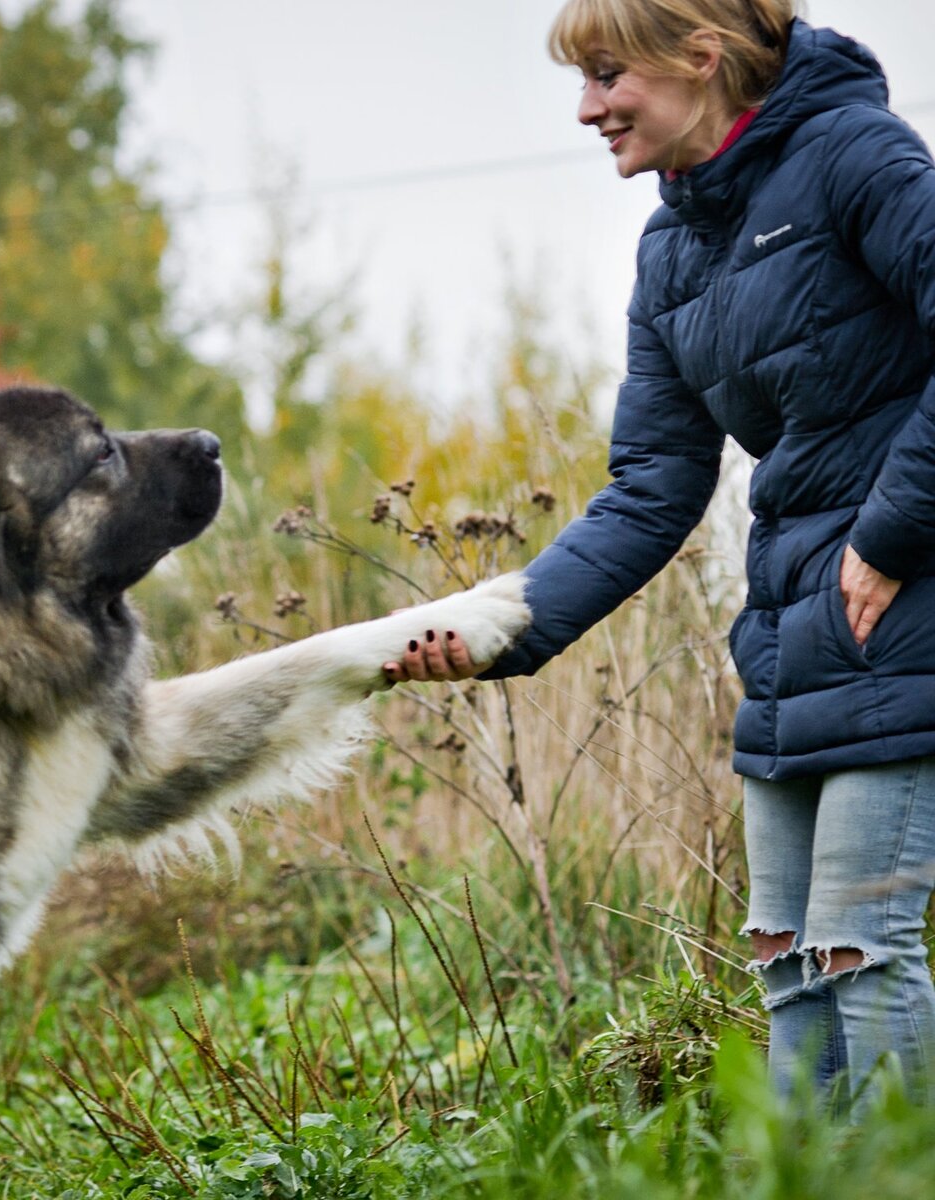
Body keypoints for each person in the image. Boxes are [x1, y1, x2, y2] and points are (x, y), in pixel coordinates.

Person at [384, 0, 935, 1115]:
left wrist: (891, 534)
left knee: (861, 951)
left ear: (702, 56)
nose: (586, 109)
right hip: (789, 630)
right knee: (789, 962)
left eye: (605, 75)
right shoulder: (675, 247)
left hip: (903, 601)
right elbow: (650, 490)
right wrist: (504, 627)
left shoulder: (856, 157)